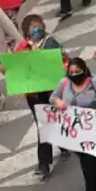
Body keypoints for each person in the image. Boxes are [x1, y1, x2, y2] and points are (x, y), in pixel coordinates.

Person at [50, 57, 96, 191]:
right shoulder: (64, 83)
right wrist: (58, 103)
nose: (74, 75)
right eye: (71, 72)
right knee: (87, 159)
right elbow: (53, 97)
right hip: (75, 133)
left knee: (87, 162)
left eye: (77, 72)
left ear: (84, 70)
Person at [17, 13, 65, 180]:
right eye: (32, 28)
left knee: (55, 118)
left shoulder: (51, 42)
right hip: (34, 94)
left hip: (51, 91)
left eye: (38, 26)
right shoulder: (23, 48)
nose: (36, 30)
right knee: (43, 125)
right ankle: (44, 164)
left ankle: (61, 146)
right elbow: (11, 68)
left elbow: (64, 61)